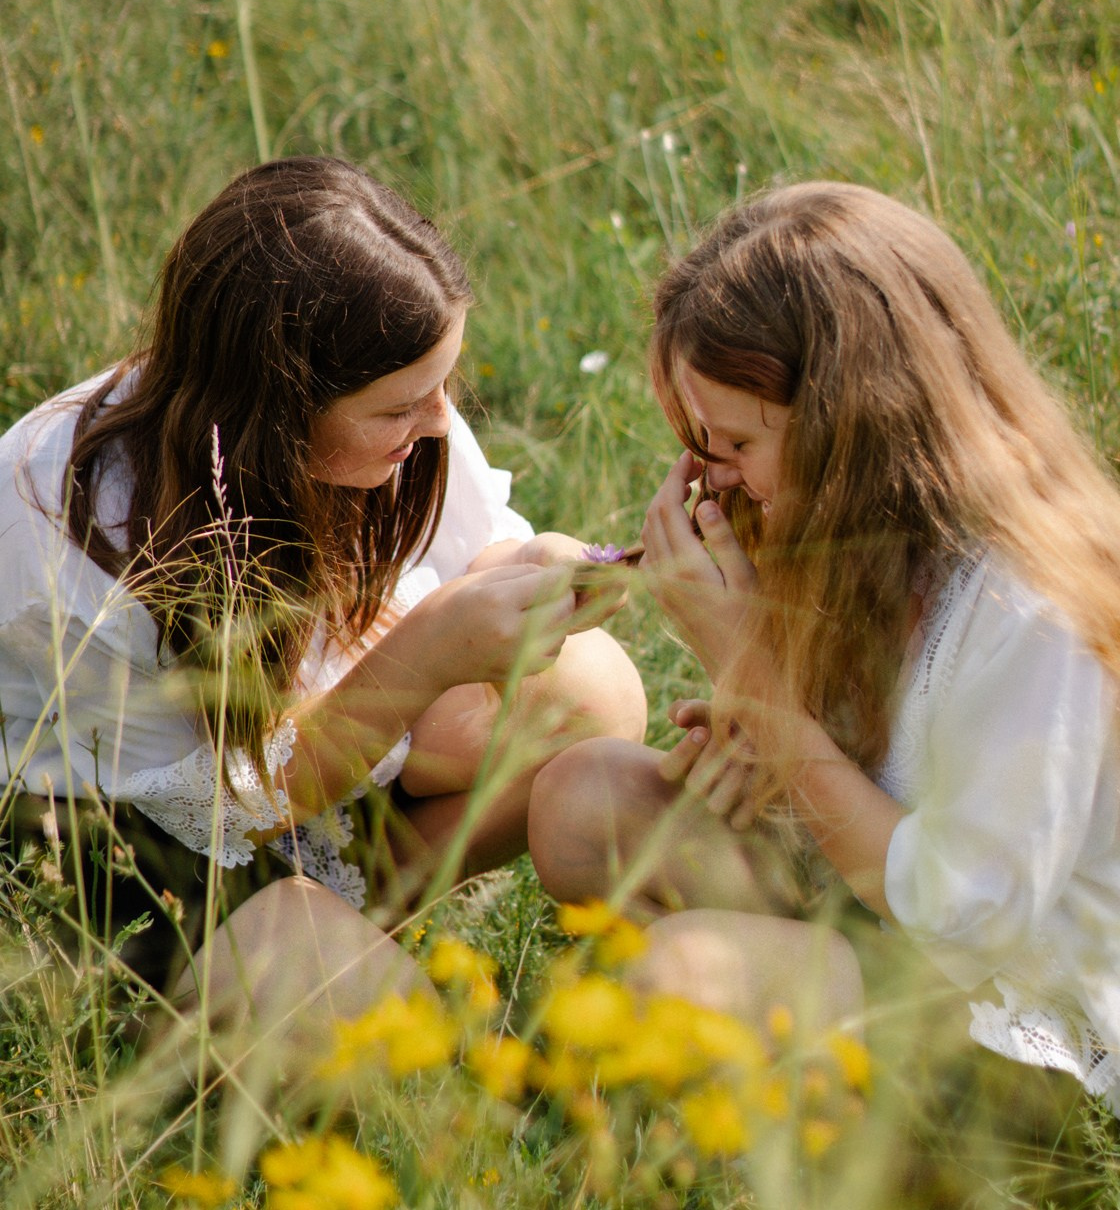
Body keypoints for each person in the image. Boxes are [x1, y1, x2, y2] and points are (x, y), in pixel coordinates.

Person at [0, 155, 645, 1045]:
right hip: (130, 846)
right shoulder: (75, 537)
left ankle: (356, 923)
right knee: (390, 1048)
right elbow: (230, 807)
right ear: (280, 407)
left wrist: (533, 565)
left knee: (587, 690)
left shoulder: (393, 413)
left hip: (305, 761)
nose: (438, 422)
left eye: (442, 389)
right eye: (400, 408)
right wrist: (424, 654)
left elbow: (475, 541)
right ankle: (189, 995)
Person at [527, 181, 1120, 1112]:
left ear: (854, 425)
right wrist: (759, 742)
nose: (709, 480)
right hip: (884, 920)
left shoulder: (1030, 605)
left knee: (677, 983)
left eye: (734, 443)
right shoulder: (860, 537)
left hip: (1025, 1011)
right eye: (699, 442)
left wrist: (754, 678)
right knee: (580, 800)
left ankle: (818, 1107)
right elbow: (881, 774)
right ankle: (785, 1062)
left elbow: (969, 922)